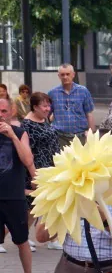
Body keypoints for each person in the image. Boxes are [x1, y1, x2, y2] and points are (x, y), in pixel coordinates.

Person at [0, 97, 35, 273]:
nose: (0, 115)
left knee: (21, 240)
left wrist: (12, 136)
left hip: (13, 196)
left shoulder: (20, 133)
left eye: (4, 111)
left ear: (11, 112)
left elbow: (28, 160)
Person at [22, 92, 61, 252]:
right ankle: (23, 237)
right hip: (36, 169)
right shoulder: (27, 125)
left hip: (50, 166)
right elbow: (26, 151)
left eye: (48, 105)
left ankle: (51, 236)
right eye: (44, 106)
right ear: (35, 107)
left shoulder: (44, 120)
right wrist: (33, 173)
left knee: (50, 204)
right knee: (32, 206)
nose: (47, 109)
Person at [48, 63, 95, 147]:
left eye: (67, 74)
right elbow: (46, 114)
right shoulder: (52, 93)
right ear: (58, 76)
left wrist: (91, 133)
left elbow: (89, 114)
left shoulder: (83, 91)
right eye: (62, 74)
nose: (65, 77)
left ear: (73, 74)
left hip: (80, 136)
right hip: (59, 137)